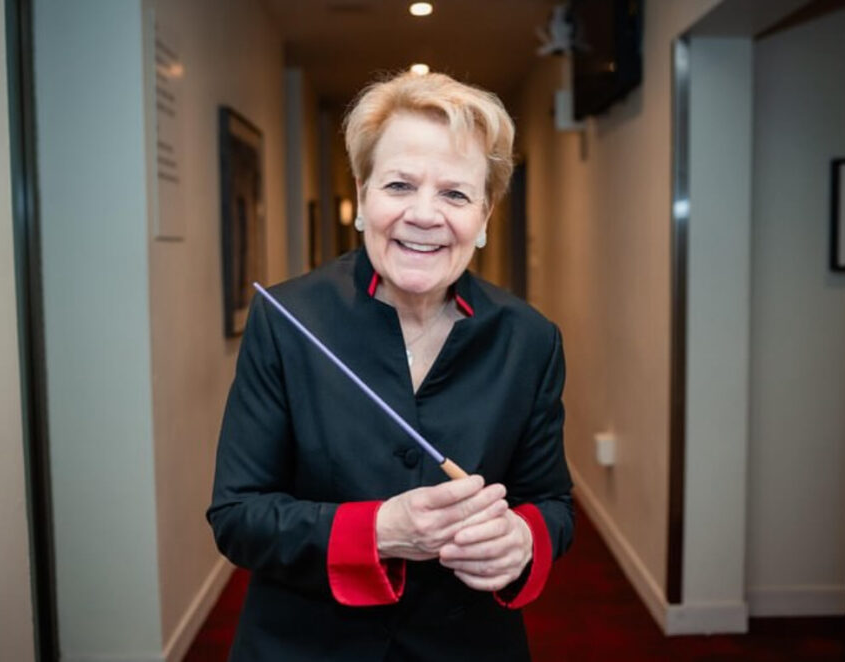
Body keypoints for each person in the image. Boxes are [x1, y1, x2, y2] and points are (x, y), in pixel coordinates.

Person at [208, 71, 573, 661]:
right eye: (400, 184)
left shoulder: (530, 340)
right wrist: (379, 532)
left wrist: (522, 538)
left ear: (485, 215)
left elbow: (552, 502)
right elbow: (237, 515)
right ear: (362, 194)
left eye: (455, 194)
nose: (424, 215)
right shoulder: (286, 319)